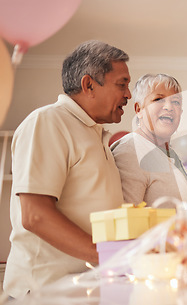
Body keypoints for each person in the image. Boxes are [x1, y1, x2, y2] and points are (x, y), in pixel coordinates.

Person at [3, 40, 131, 298]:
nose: (129, 94)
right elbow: (35, 215)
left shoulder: (96, 135)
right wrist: (110, 258)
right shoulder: (48, 121)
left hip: (86, 287)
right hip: (47, 292)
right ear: (89, 85)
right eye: (122, 84)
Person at [111, 74, 187, 207]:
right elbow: (128, 218)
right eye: (158, 99)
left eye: (176, 102)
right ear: (139, 110)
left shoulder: (171, 153)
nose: (169, 107)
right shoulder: (129, 151)